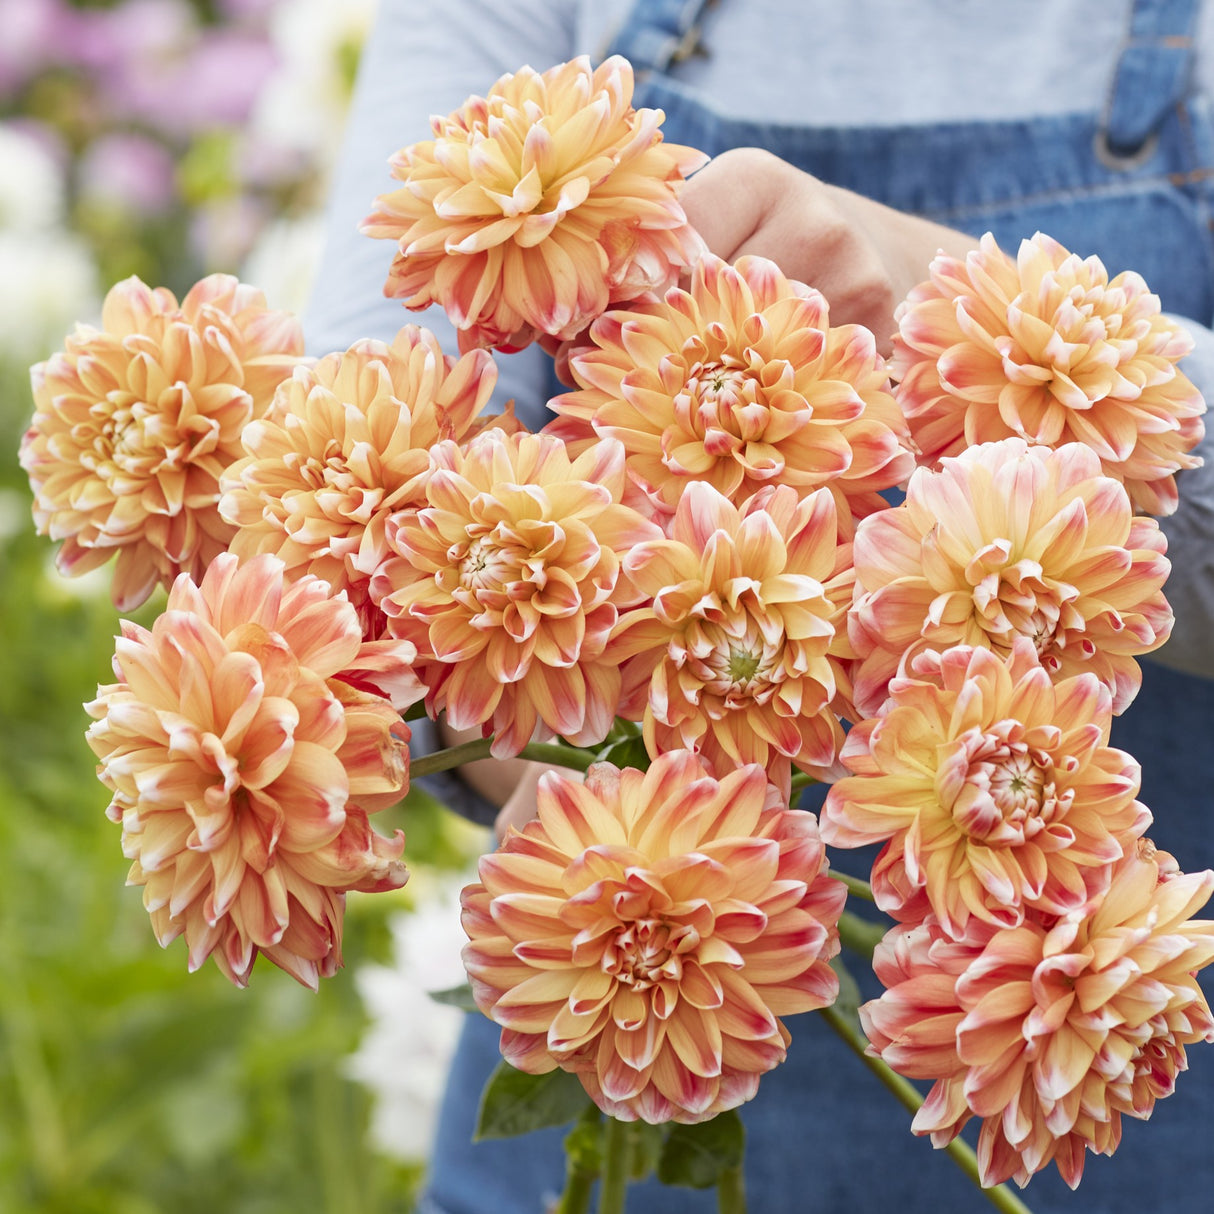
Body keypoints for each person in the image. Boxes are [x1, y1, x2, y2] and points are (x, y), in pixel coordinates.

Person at [305, 2, 1214, 1210]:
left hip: (1113, 1102)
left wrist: (927, 291)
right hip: (595, 996)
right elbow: (362, 533)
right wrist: (614, 835)